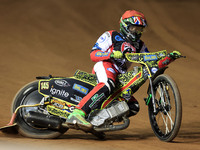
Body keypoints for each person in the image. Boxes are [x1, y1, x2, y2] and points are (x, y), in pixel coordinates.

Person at [65, 10, 181, 130]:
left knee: (132, 106)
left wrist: (169, 58)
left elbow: (150, 63)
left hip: (121, 75)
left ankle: (97, 121)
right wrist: (111, 54)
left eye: (139, 29)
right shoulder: (111, 35)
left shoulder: (140, 45)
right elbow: (93, 54)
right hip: (106, 65)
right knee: (108, 84)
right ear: (125, 26)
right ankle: (77, 113)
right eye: (133, 28)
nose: (137, 32)